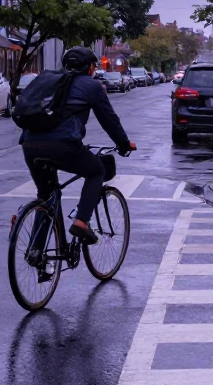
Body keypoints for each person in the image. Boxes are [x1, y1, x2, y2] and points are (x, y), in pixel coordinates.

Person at [20, 46, 135, 245]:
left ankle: (36, 251)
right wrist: (123, 144)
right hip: (63, 145)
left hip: (29, 144)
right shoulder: (91, 86)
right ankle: (82, 221)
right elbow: (109, 120)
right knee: (96, 170)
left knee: (46, 195)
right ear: (89, 68)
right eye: (93, 66)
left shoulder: (49, 81)